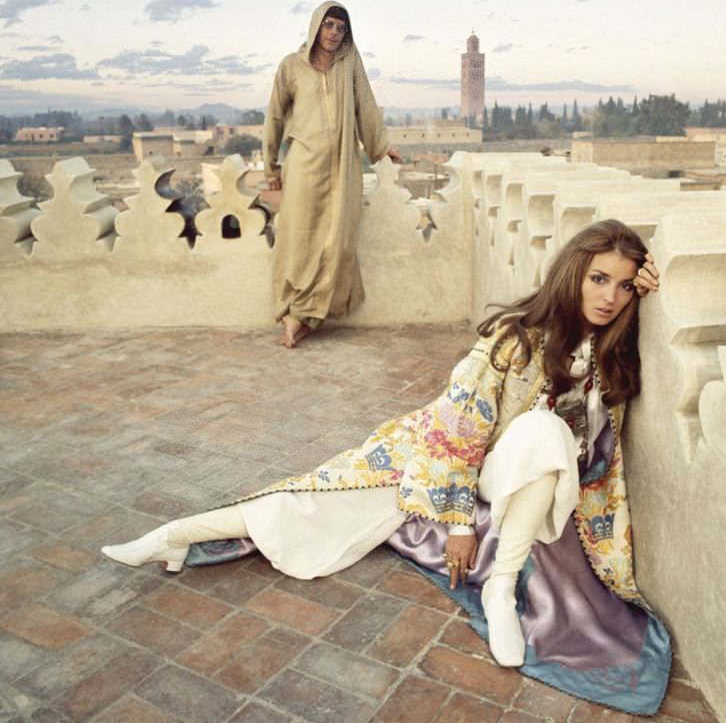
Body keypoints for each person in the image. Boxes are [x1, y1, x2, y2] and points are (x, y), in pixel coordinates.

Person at [102, 219, 670, 714]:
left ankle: (501, 593)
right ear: (573, 273)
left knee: (545, 433)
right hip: (438, 460)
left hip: (528, 477)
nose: (610, 296)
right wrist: (458, 525)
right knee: (320, 503)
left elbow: (591, 444)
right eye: (599, 278)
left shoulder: (612, 353)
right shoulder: (515, 338)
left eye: (623, 286)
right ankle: (173, 536)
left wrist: (649, 290)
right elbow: (456, 433)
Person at [264, 0, 402, 348]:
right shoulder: (291, 66)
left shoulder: (350, 62)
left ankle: (309, 317)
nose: (334, 33)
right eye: (328, 25)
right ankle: (294, 312)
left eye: (340, 27)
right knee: (301, 239)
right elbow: (275, 118)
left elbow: (365, 105)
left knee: (336, 242)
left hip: (343, 167)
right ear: (315, 27)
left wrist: (381, 146)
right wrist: (270, 168)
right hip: (304, 168)